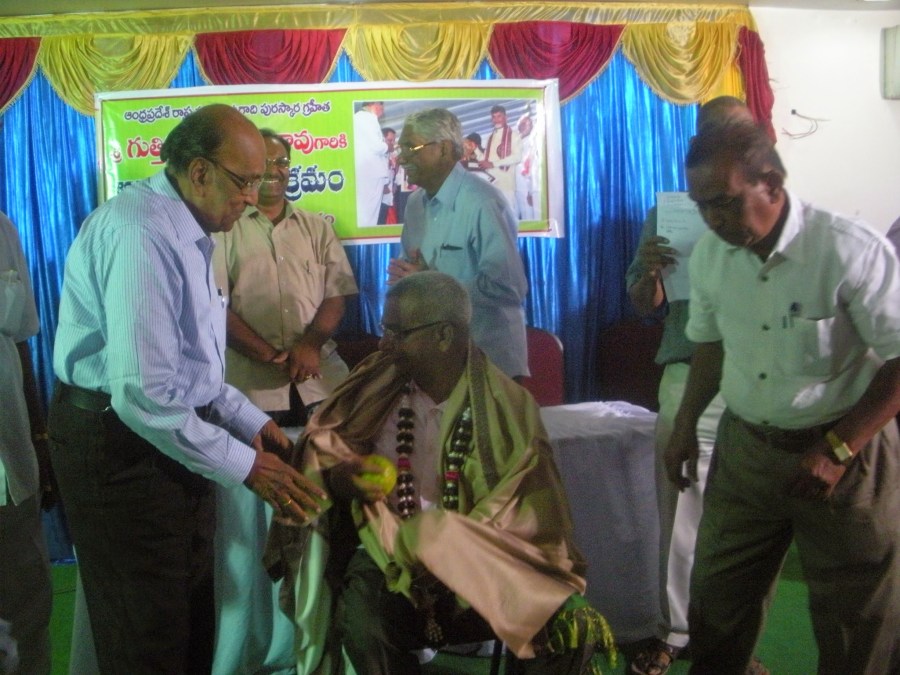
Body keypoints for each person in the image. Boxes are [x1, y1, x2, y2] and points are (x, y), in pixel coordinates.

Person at [49, 104, 326, 674]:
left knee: (190, 616)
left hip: (162, 435)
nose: (253, 197)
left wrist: (251, 423)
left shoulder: (190, 229)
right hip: (118, 447)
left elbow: (192, 367)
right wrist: (247, 466)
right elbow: (144, 394)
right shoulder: (141, 232)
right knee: (148, 632)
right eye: (244, 181)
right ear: (199, 172)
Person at [266, 271, 612, 675]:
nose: (383, 343)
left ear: (444, 335)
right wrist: (346, 477)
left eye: (397, 333)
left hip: (483, 556)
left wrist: (447, 545)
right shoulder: (371, 388)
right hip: (388, 553)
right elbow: (324, 452)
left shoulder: (510, 406)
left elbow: (526, 509)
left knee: (565, 625)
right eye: (385, 330)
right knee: (364, 619)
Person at [665, 120, 900, 674]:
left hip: (846, 456)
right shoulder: (711, 257)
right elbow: (710, 346)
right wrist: (683, 425)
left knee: (856, 622)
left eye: (724, 203)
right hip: (747, 453)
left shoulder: (847, 249)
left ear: (771, 183)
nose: (712, 220)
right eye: (702, 206)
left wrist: (838, 449)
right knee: (718, 606)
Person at [626, 97, 767, 675]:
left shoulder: (780, 212)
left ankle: (738, 648)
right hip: (689, 373)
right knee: (680, 508)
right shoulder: (670, 212)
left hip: (764, 378)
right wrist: (651, 273)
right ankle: (674, 632)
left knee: (756, 524)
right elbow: (644, 304)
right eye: (711, 132)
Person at [210, 128, 358, 674]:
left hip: (319, 388)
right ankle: (262, 641)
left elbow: (337, 295)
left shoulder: (316, 226)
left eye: (283, 163)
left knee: (324, 515)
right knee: (253, 528)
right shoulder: (225, 228)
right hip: (250, 394)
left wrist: (309, 345)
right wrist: (272, 354)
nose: (275, 172)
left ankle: (321, 631)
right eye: (265, 163)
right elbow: (216, 306)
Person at [386, 108, 529, 380]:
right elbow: (415, 273)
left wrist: (434, 285)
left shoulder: (483, 201)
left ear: (443, 149)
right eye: (400, 149)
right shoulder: (415, 204)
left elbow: (509, 287)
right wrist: (407, 283)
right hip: (436, 364)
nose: (401, 157)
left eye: (410, 147)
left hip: (488, 363)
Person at [0, 211, 54, 675]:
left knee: (27, 605)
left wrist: (39, 437)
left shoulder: (2, 229)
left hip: (9, 454)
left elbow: (20, 340)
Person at [353, 101, 390, 228]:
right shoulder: (368, 118)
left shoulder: (358, 117)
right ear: (373, 104)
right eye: (381, 104)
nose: (383, 109)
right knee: (370, 213)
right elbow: (376, 146)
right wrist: (387, 146)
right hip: (372, 172)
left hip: (364, 170)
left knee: (364, 210)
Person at [479, 104, 522, 210]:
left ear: (506, 117)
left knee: (510, 216)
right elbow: (485, 160)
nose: (496, 120)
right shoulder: (490, 137)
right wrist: (474, 149)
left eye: (499, 116)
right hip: (492, 184)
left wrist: (493, 164)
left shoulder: (514, 135)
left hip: (506, 184)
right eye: (494, 117)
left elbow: (517, 157)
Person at [515, 112, 540, 221]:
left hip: (531, 186)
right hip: (519, 187)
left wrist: (530, 190)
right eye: (522, 124)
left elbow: (530, 164)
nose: (525, 126)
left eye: (528, 123)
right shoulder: (515, 142)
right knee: (525, 217)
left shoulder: (534, 142)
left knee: (536, 217)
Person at [379, 126, 399, 225]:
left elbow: (394, 173)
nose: (392, 143)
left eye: (394, 141)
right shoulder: (377, 156)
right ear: (382, 140)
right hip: (379, 199)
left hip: (388, 198)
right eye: (390, 140)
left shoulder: (392, 155)